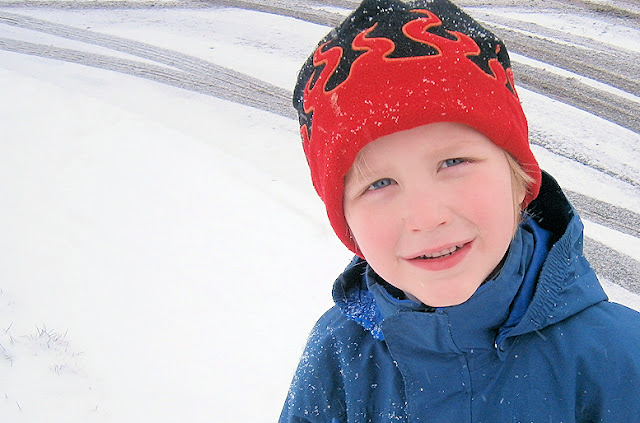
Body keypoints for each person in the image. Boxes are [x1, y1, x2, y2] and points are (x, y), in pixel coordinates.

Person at [279, 0, 640, 421]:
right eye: (379, 184)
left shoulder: (618, 358)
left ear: (516, 178)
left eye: (453, 163)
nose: (427, 217)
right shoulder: (338, 355)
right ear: (347, 223)